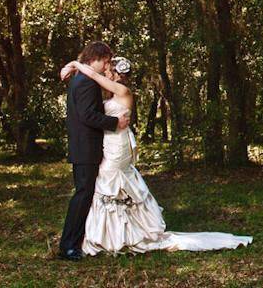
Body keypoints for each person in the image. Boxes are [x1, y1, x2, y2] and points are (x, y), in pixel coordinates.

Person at [59, 55, 252, 255]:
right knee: (106, 183)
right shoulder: (111, 94)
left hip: (118, 146)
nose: (105, 72)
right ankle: (110, 235)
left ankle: (116, 236)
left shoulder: (123, 91)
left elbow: (94, 77)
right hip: (110, 143)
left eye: (109, 69)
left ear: (116, 74)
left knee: (110, 181)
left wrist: (75, 64)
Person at [58, 41, 130, 261]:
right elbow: (88, 116)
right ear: (95, 59)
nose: (106, 66)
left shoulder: (81, 79)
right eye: (105, 61)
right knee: (82, 196)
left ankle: (78, 241)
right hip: (86, 147)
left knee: (85, 194)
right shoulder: (87, 83)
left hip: (83, 146)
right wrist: (114, 122)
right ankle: (68, 246)